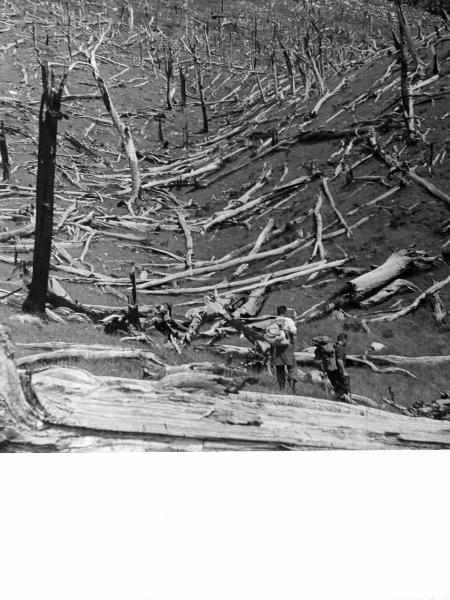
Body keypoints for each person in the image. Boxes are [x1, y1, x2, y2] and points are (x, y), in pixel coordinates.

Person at [315, 332, 351, 402]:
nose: (346, 342)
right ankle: (341, 402)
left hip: (330, 370)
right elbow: (339, 360)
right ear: (343, 340)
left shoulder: (333, 347)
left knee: (336, 388)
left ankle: (337, 401)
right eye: (346, 340)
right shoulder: (340, 348)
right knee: (343, 389)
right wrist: (344, 372)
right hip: (337, 371)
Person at [271, 305, 297, 392]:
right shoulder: (288, 320)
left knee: (279, 367)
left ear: (277, 312)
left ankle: (281, 388)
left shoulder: (273, 321)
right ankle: (292, 387)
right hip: (287, 345)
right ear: (284, 312)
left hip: (277, 346)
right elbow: (293, 331)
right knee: (292, 366)